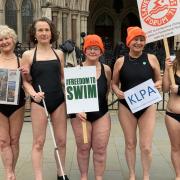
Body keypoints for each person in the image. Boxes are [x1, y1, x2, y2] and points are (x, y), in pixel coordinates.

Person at [21, 17, 69, 180]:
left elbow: (62, 78)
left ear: (52, 32)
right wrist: (33, 93)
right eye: (40, 30)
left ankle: (61, 173)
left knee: (61, 141)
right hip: (39, 102)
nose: (44, 33)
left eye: (46, 29)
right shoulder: (28, 55)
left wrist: (76, 78)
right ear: (34, 34)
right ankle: (38, 177)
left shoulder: (59, 53)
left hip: (59, 101)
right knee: (38, 142)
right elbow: (25, 82)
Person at [112, 26, 162, 180]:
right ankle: (132, 175)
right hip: (127, 107)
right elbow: (114, 83)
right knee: (130, 143)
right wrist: (116, 91)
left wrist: (158, 84)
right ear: (129, 42)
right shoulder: (120, 61)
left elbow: (159, 79)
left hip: (147, 106)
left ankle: (146, 176)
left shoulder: (151, 58)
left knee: (146, 146)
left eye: (141, 39)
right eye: (135, 39)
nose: (138, 42)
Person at [70, 34, 111, 180]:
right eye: (90, 48)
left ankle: (99, 177)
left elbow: (107, 90)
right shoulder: (76, 70)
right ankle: (84, 176)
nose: (93, 51)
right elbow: (71, 95)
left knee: (100, 149)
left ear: (101, 51)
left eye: (96, 48)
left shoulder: (106, 69)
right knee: (83, 148)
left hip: (101, 113)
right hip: (81, 116)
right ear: (84, 50)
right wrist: (77, 110)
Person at [0, 25, 26, 180]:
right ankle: (9, 173)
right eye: (0, 40)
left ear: (13, 40)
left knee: (14, 140)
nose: (3, 42)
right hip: (0, 105)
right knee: (3, 141)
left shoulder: (21, 61)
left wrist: (27, 74)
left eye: (6, 38)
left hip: (17, 104)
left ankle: (12, 170)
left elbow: (28, 82)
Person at [162, 51, 180, 180]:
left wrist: (179, 89)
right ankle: (178, 175)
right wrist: (167, 69)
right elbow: (165, 88)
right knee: (175, 147)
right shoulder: (173, 65)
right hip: (173, 115)